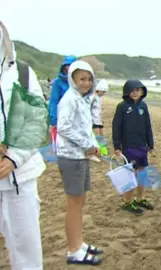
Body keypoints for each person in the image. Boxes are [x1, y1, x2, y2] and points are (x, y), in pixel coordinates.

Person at [0, 20, 47, 270]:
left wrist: (14, 157)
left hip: (21, 176)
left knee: (26, 246)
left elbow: (36, 118)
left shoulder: (22, 72)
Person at [56, 60, 103, 266]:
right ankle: (73, 250)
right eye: (81, 79)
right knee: (74, 205)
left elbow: (85, 127)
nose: (86, 83)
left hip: (82, 156)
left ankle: (79, 243)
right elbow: (64, 128)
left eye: (89, 79)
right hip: (71, 157)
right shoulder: (69, 99)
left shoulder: (83, 99)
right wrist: (86, 144)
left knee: (80, 202)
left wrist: (94, 146)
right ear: (73, 80)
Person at [112, 79, 154, 214]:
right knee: (129, 174)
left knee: (142, 172)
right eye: (132, 90)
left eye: (138, 90)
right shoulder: (122, 107)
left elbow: (148, 126)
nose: (135, 93)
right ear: (127, 92)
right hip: (128, 146)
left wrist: (150, 143)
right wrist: (117, 146)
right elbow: (116, 127)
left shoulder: (143, 106)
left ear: (142, 91)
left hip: (142, 145)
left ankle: (140, 198)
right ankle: (128, 202)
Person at [48, 55, 77, 137]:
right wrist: (54, 121)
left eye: (71, 66)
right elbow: (54, 101)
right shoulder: (58, 82)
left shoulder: (78, 82)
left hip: (76, 119)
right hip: (62, 118)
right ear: (63, 67)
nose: (68, 68)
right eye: (67, 66)